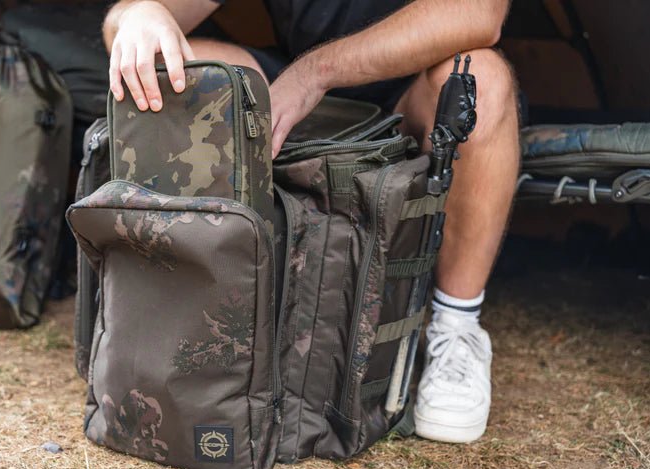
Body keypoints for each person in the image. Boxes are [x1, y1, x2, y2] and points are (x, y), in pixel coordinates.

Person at [103, 0, 519, 444]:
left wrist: (314, 73)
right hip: (296, 83)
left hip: (411, 89)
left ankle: (457, 327)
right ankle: (198, 315)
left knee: (480, 77)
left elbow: (477, 14)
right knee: (179, 66)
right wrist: (140, 14)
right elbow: (121, 26)